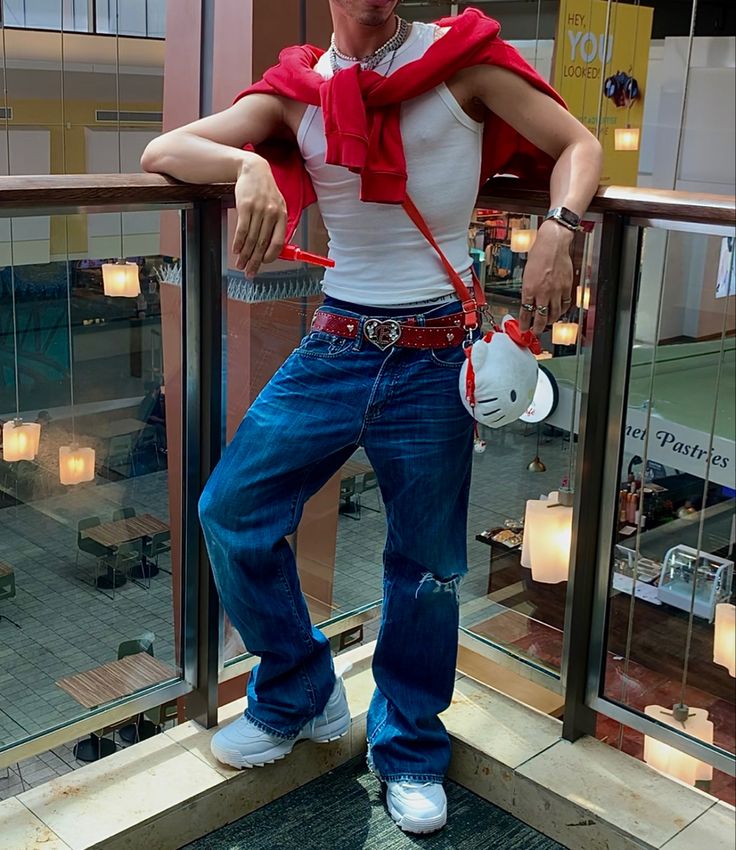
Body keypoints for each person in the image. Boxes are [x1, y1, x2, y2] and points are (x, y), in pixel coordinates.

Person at [142, 2, 602, 835]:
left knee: (424, 564)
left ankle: (411, 747)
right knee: (231, 511)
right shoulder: (298, 90)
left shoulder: (460, 61)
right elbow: (163, 150)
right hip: (336, 342)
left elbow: (580, 143)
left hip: (435, 351)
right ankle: (300, 693)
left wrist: (561, 229)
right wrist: (245, 168)